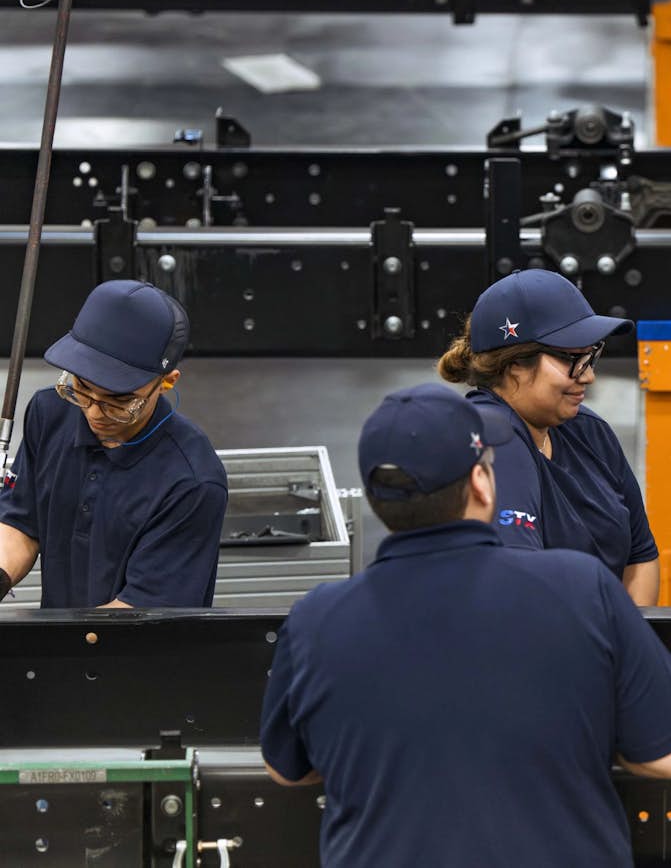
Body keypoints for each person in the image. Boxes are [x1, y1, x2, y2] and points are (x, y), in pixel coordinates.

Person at [260, 382, 671, 868]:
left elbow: (286, 768)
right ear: (480, 483)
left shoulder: (315, 619)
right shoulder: (584, 589)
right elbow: (657, 754)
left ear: (375, 500)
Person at [0, 280, 228, 608]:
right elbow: (20, 521)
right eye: (81, 388)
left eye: (118, 401)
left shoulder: (192, 482)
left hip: (132, 652)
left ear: (166, 382)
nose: (94, 411)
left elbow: (136, 618)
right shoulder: (49, 413)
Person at [438, 267, 658, 606]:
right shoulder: (490, 438)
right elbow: (518, 593)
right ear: (514, 364)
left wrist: (630, 643)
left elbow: (640, 555)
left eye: (591, 356)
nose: (588, 377)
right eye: (572, 359)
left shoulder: (588, 431)